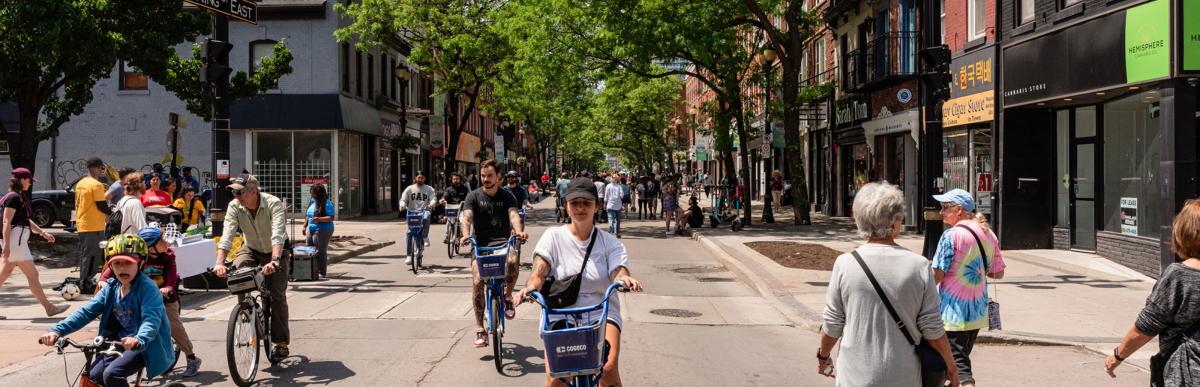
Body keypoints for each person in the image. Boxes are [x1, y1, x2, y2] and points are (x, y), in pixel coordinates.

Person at [819, 182, 959, 387]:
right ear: (894, 223)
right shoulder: (918, 266)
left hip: (855, 376)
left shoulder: (845, 264)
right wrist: (952, 368)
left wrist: (823, 356)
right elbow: (933, 328)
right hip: (903, 375)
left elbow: (832, 324)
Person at [516, 177, 644, 387]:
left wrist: (623, 279)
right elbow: (539, 271)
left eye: (587, 203)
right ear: (566, 206)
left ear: (597, 206)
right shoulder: (552, 236)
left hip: (600, 312)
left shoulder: (610, 242)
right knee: (556, 376)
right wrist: (530, 287)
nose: (580, 208)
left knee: (608, 369)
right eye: (575, 202)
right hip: (561, 312)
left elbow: (618, 271)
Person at [40, 234, 174, 387]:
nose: (122, 268)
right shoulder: (111, 288)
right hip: (115, 344)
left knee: (112, 374)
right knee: (94, 376)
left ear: (141, 263)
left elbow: (151, 320)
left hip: (144, 345)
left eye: (128, 263)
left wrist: (139, 339)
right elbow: (85, 312)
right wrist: (57, 331)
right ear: (110, 266)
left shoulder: (148, 289)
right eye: (117, 263)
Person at [1105, 199, 1200, 385]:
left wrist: (1117, 356)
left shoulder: (1179, 276)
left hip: (1187, 373)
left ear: (1184, 231)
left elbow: (1146, 327)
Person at [98, 228, 201, 377]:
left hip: (165, 300)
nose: (166, 243)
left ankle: (191, 357)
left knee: (174, 327)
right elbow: (111, 268)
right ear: (150, 245)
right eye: (161, 241)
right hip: (139, 299)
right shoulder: (138, 257)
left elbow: (172, 274)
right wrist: (102, 280)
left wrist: (169, 287)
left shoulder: (168, 256)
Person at [211, 174, 292, 360]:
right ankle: (246, 311)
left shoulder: (273, 203)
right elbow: (227, 235)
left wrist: (274, 260)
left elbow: (278, 234)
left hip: (275, 251)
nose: (236, 196)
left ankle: (280, 343)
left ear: (253, 192)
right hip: (252, 248)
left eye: (239, 192)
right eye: (233, 192)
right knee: (238, 273)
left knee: (277, 295)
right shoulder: (235, 206)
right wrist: (219, 262)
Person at [932, 188, 1006, 387]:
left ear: (959, 210)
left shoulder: (951, 236)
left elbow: (936, 276)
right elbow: (998, 273)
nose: (941, 212)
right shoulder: (988, 234)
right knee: (953, 366)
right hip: (977, 314)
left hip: (953, 314)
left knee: (960, 369)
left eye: (945, 208)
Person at [459, 160, 526, 347]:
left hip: (502, 243)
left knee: (513, 261)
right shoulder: (473, 196)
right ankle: (480, 329)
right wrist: (465, 235)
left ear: (499, 177)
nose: (485, 179)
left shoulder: (507, 196)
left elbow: (514, 215)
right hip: (480, 244)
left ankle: (507, 298)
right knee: (477, 280)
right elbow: (467, 218)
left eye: (489, 175)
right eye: (483, 175)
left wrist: (519, 232)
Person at [0, 168, 68, 317]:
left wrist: (42, 232)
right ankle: (49, 308)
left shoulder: (17, 197)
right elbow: (6, 221)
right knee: (32, 274)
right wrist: (6, 245)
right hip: (15, 240)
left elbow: (26, 220)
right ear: (22, 180)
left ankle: (49, 307)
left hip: (16, 240)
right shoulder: (13, 197)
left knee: (4, 274)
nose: (30, 183)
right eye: (29, 180)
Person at [74, 157, 112, 294]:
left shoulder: (81, 182)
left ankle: (84, 280)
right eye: (102, 168)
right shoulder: (96, 185)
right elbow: (101, 205)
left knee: (86, 254)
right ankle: (86, 282)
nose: (102, 171)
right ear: (96, 168)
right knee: (92, 255)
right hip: (93, 225)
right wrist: (113, 212)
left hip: (83, 222)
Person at [399, 171, 437, 261]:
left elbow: (433, 198)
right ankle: (409, 255)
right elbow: (403, 199)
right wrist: (402, 205)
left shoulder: (429, 189)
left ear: (424, 179)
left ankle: (425, 236)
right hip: (412, 212)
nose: (420, 179)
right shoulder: (409, 188)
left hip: (424, 211)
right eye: (418, 178)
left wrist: (432, 204)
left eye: (422, 178)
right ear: (415, 178)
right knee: (409, 233)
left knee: (426, 216)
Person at [304, 184, 335, 278]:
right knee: (310, 249)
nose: (311, 194)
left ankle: (322, 272)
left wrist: (319, 219)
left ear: (318, 193)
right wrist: (304, 226)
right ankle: (312, 270)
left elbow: (331, 217)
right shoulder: (313, 201)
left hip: (323, 229)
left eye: (313, 193)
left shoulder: (327, 203)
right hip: (311, 228)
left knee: (320, 251)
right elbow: (307, 214)